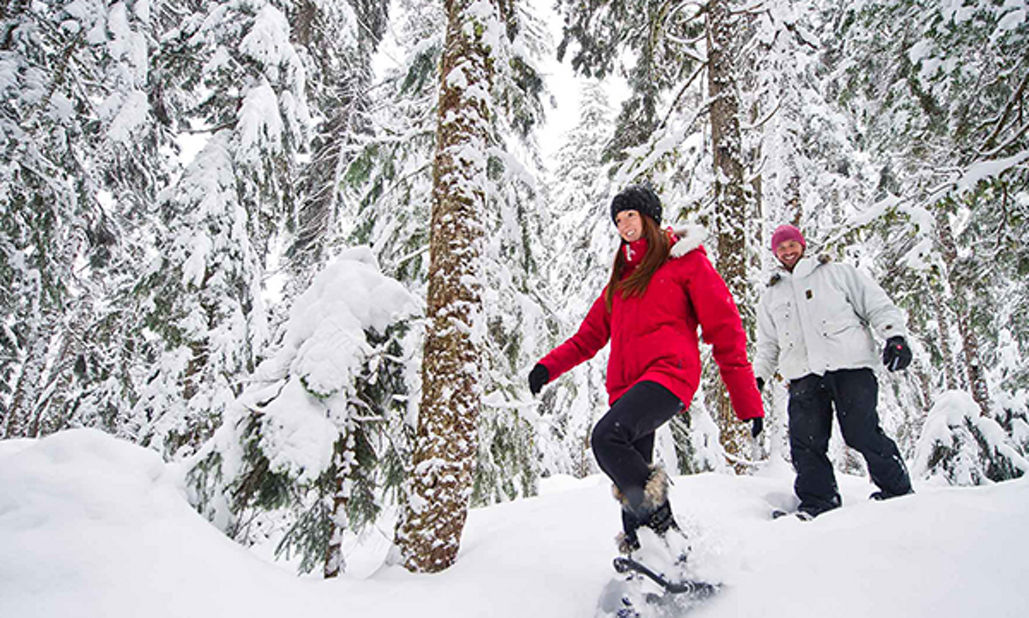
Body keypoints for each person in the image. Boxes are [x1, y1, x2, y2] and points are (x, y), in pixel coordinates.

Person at [527, 185, 763, 555]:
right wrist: (547, 367)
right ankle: (648, 563)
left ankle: (668, 534)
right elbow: (588, 337)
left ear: (649, 217)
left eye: (630, 216)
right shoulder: (621, 280)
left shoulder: (686, 263)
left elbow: (726, 331)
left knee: (607, 438)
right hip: (627, 387)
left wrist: (747, 403)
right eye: (618, 220)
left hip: (669, 376)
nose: (624, 225)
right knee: (628, 471)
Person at [754, 224, 914, 519]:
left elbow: (875, 304)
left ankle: (897, 491)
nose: (788, 251)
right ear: (775, 253)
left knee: (861, 432)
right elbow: (767, 344)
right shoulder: (772, 295)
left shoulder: (836, 274)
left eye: (792, 245)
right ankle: (818, 502)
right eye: (781, 248)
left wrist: (895, 336)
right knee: (805, 441)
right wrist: (758, 378)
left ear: (802, 245)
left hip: (849, 367)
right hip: (803, 375)